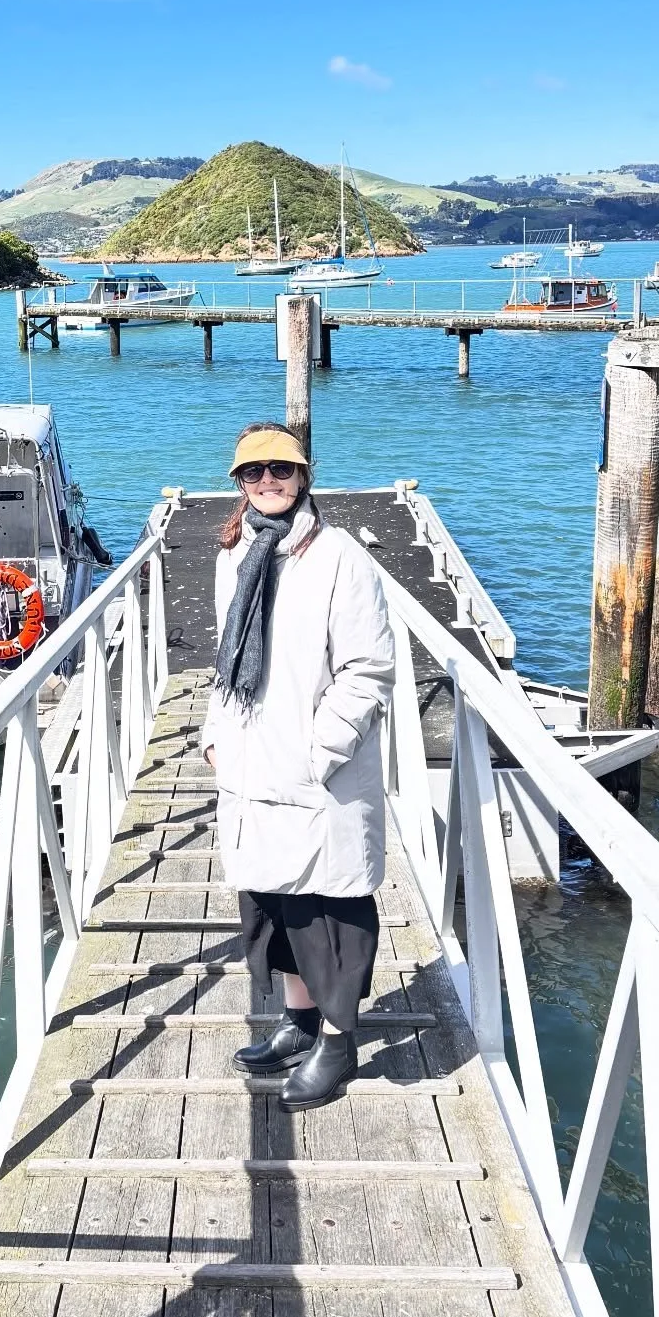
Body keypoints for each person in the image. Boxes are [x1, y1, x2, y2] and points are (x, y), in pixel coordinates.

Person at [200, 422, 395, 1110]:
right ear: (239, 484)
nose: (268, 482)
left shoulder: (340, 555)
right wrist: (213, 733)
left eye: (280, 470)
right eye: (253, 474)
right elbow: (226, 657)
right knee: (272, 905)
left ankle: (338, 1044)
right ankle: (299, 1020)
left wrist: (319, 750)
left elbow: (369, 668)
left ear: (303, 475)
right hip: (252, 762)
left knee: (331, 912)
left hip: (319, 774)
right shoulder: (237, 552)